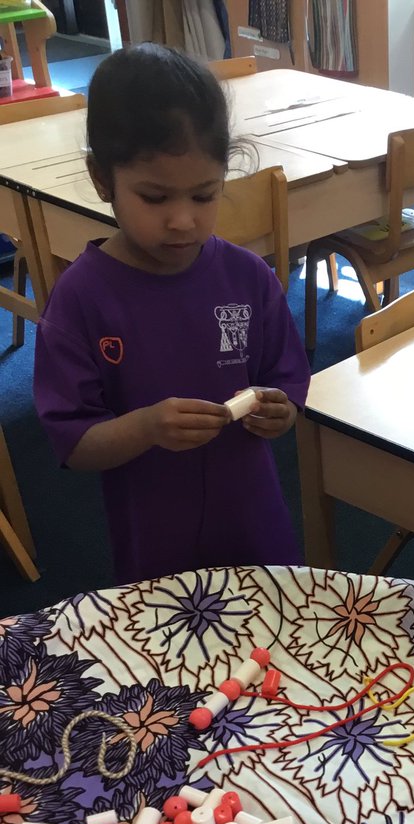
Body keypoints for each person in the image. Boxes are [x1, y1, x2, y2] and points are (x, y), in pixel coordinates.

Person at [34, 44, 309, 586]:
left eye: (205, 195)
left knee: (272, 653)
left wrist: (283, 412)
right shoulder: (81, 299)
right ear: (101, 179)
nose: (183, 220)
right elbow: (74, 441)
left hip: (256, 528)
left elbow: (285, 383)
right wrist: (146, 426)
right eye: (155, 197)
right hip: (156, 543)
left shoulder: (248, 277)